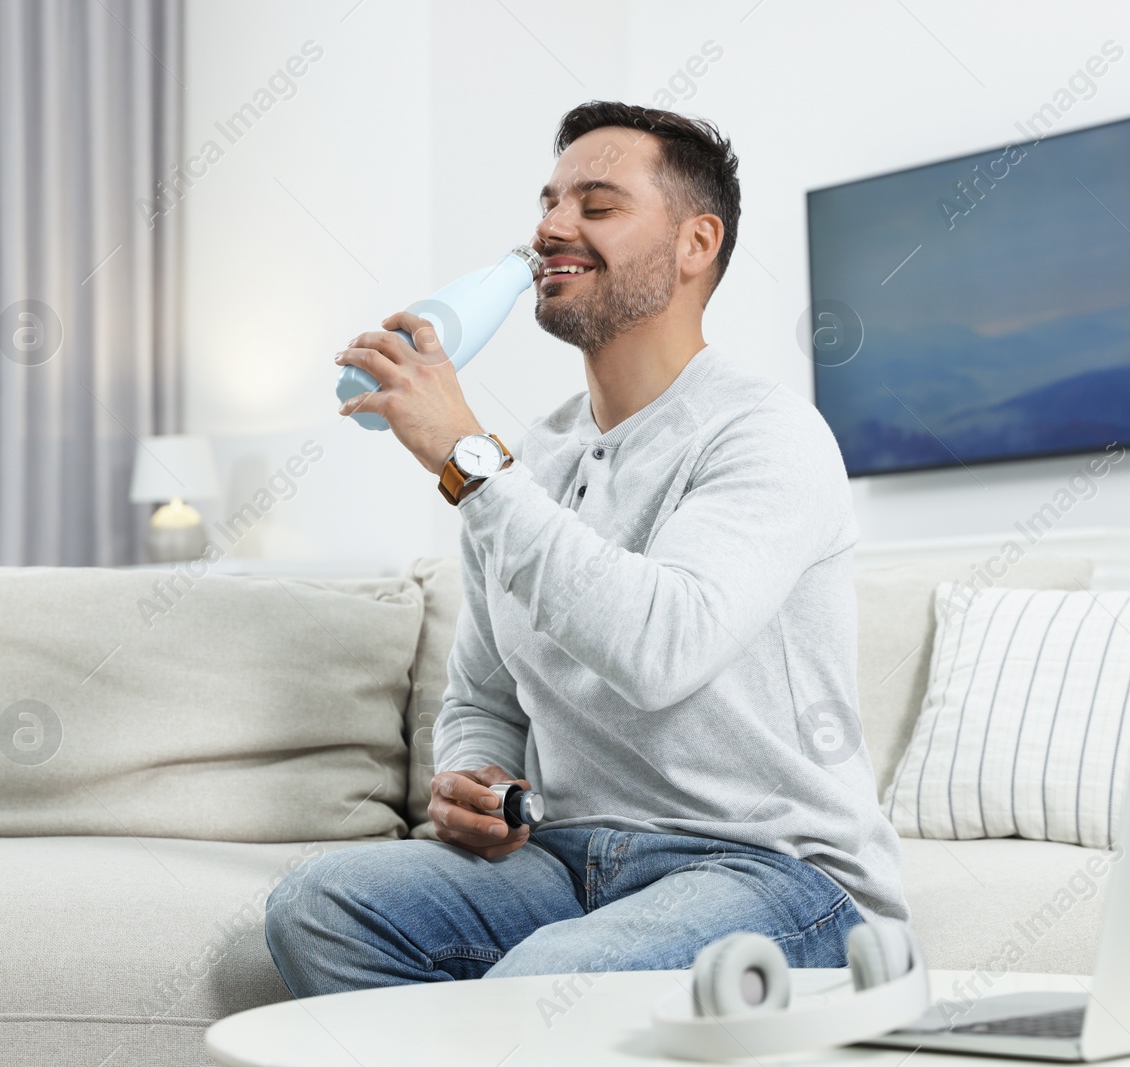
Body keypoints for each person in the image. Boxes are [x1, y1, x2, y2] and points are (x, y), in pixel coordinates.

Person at [264, 100, 909, 996]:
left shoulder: (766, 435)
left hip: (772, 872)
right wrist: (472, 776)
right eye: (550, 202)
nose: (551, 227)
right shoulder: (529, 464)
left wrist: (469, 462)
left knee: (554, 979)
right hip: (566, 860)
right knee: (322, 904)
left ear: (695, 243)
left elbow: (662, 647)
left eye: (597, 206)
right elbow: (484, 697)